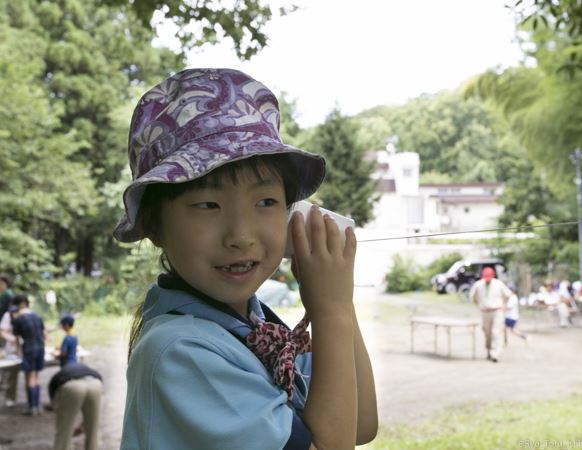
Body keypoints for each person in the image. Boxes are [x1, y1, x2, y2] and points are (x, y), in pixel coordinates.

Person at [116, 68, 378, 449]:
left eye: (266, 202)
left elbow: (359, 425)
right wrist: (330, 310)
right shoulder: (181, 351)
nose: (240, 235)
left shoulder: (254, 329)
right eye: (208, 204)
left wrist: (338, 299)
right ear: (155, 226)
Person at [48, 362, 103, 450]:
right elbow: (92, 415)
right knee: (93, 429)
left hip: (72, 386)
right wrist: (83, 425)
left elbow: (58, 409)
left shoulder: (55, 381)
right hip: (95, 383)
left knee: (64, 432)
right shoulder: (86, 368)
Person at [12, 294, 47, 415]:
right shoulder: (37, 316)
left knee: (29, 377)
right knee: (36, 377)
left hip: (29, 349)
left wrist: (18, 351)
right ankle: (38, 406)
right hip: (40, 348)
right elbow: (44, 334)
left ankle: (32, 407)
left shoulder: (18, 319)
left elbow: (17, 339)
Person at [469, 267, 512, 362]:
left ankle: (495, 353)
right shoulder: (478, 285)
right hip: (485, 312)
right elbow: (473, 297)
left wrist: (504, 305)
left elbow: (508, 295)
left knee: (495, 332)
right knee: (487, 332)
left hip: (497, 311)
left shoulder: (498, 284)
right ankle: (489, 350)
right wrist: (479, 305)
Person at [0, 305, 20, 407]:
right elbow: (2, 332)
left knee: (13, 375)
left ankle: (10, 397)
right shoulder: (7, 316)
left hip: (18, 351)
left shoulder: (23, 315)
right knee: (4, 375)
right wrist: (12, 339)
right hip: (8, 350)